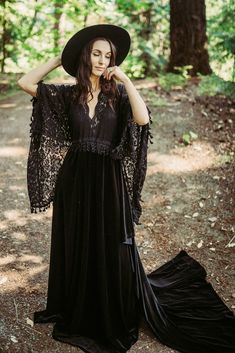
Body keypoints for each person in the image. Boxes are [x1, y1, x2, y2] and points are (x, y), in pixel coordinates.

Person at [18, 24, 235, 353]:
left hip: (109, 179)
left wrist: (127, 81)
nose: (102, 60)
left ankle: (108, 309)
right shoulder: (67, 93)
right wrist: (56, 59)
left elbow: (143, 119)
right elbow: (25, 83)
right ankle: (78, 304)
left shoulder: (117, 95)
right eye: (96, 53)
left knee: (113, 245)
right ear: (85, 56)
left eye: (108, 55)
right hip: (75, 180)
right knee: (77, 242)